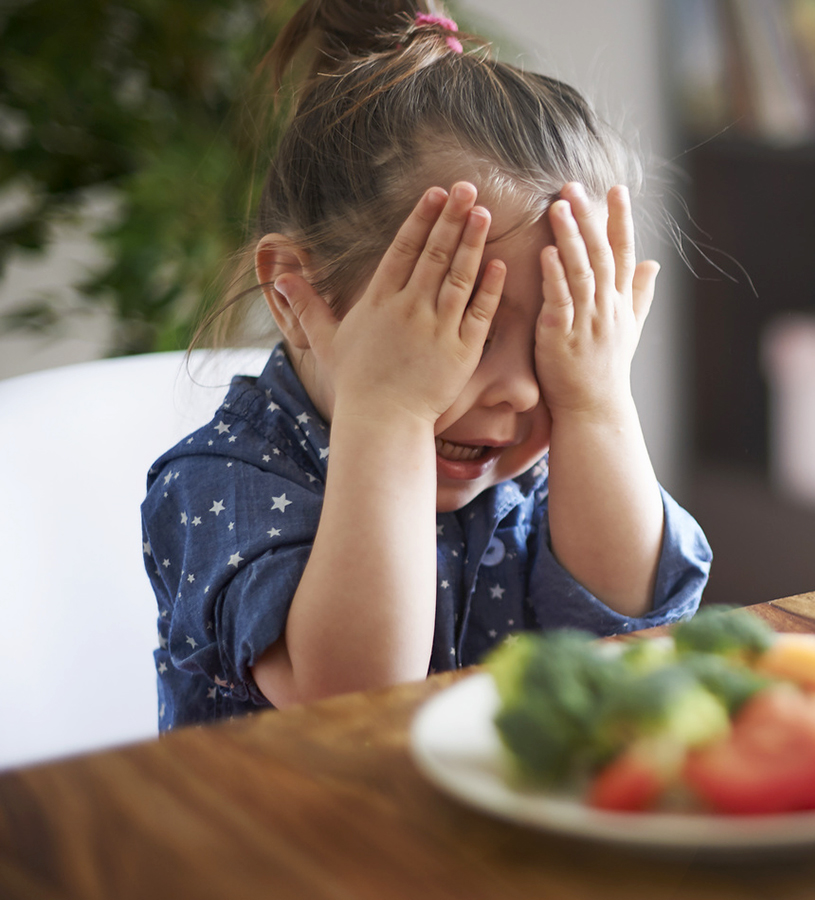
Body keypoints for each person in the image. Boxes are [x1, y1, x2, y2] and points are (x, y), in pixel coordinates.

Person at [141, 0, 710, 730]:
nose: (520, 387)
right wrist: (391, 413)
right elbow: (353, 699)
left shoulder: (537, 453)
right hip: (281, 838)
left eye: (553, 339)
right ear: (298, 296)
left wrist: (596, 404)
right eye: (460, 331)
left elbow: (634, 631)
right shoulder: (219, 481)